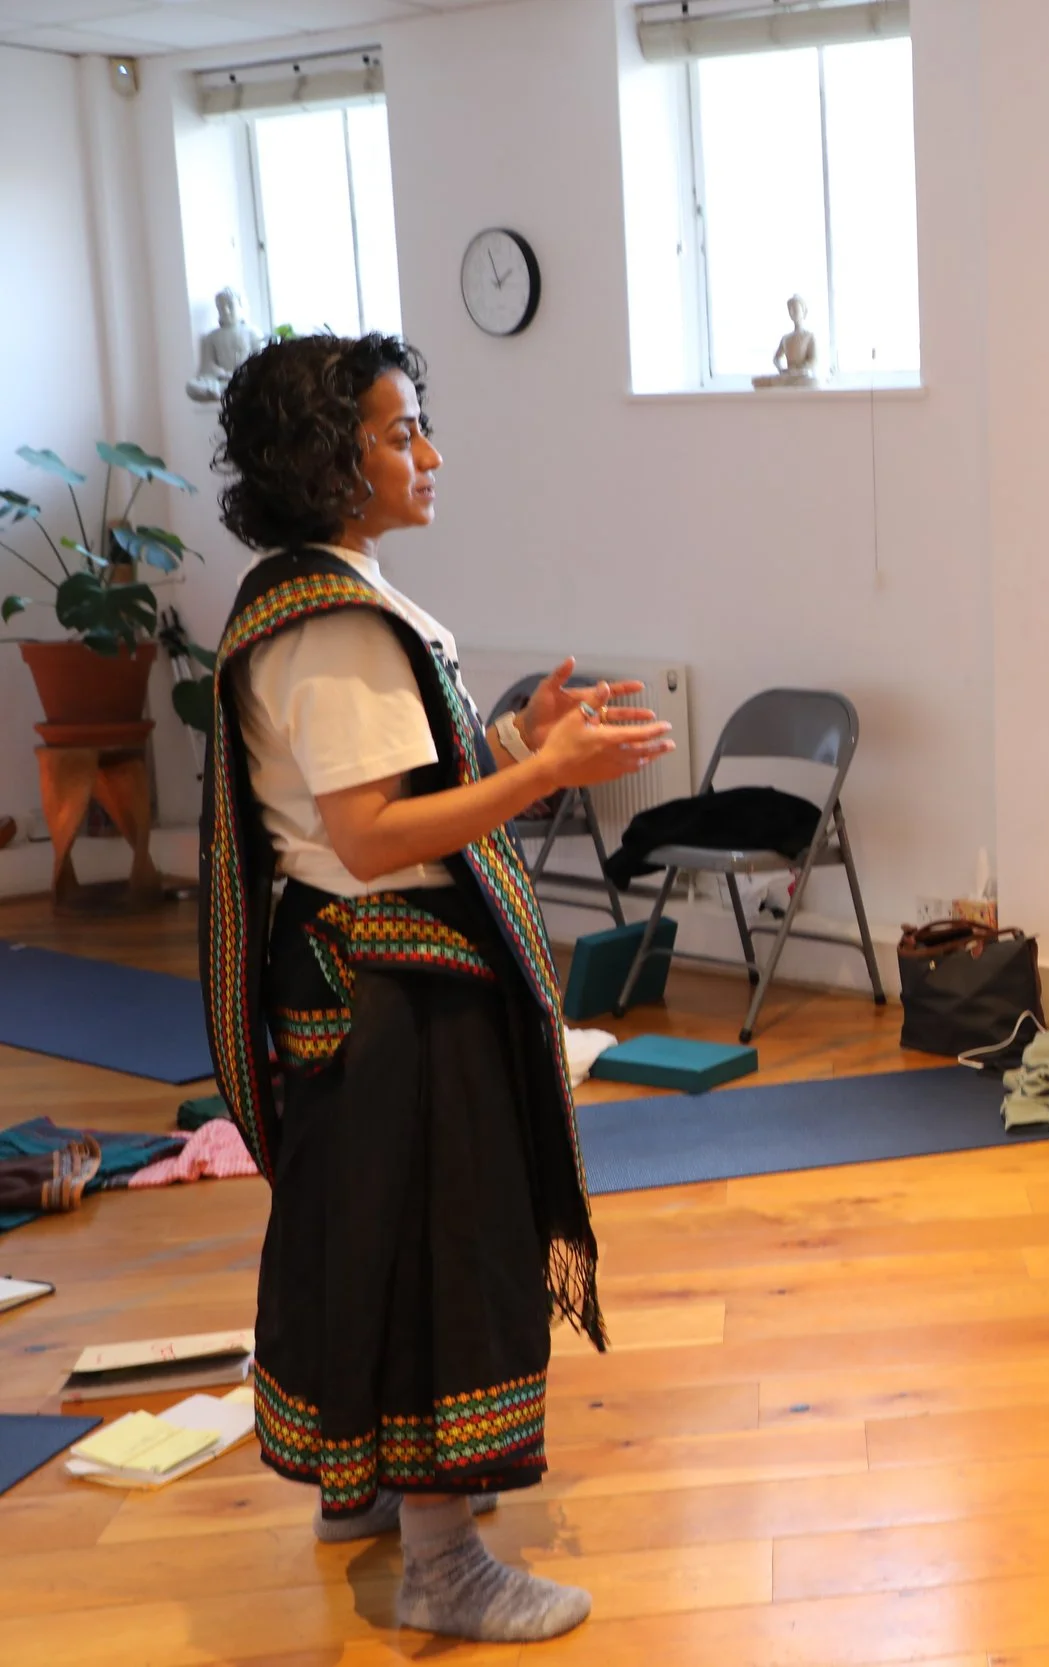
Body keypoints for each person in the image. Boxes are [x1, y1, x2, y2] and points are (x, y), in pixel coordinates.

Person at [201, 334, 674, 1641]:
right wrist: (541, 773)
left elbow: (390, 791)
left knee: (365, 1236)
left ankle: (360, 1493)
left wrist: (515, 737)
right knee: (434, 1249)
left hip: (357, 981)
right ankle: (444, 1557)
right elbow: (371, 836)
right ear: (329, 456)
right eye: (403, 430)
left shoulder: (313, 594)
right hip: (395, 987)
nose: (431, 452)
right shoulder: (340, 623)